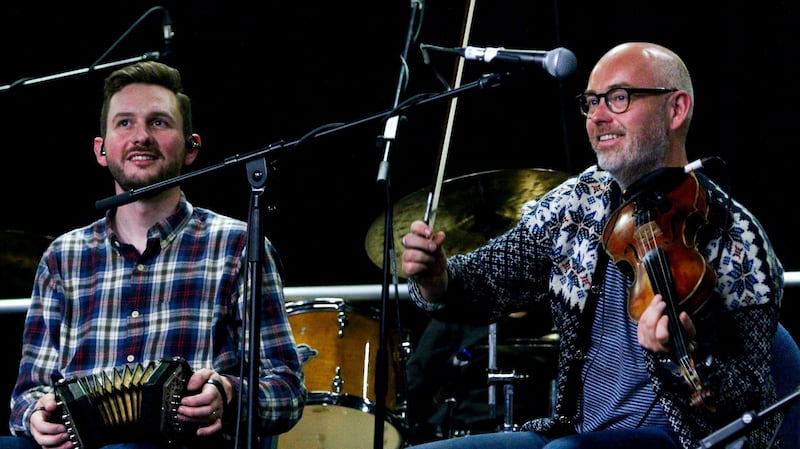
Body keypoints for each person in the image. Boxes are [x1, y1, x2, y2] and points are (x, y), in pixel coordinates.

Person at [399, 42, 784, 449]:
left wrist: (681, 357)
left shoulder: (737, 239)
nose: (598, 117)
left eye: (619, 98)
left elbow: (751, 405)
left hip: (683, 439)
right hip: (574, 431)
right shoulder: (577, 202)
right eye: (591, 102)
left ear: (676, 109)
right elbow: (481, 282)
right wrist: (437, 278)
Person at [0, 61, 306, 449]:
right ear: (101, 148)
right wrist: (35, 418)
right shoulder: (64, 257)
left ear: (191, 147)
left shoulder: (237, 245)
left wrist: (228, 393)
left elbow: (287, 390)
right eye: (124, 123)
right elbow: (26, 394)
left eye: (159, 123)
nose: (140, 136)